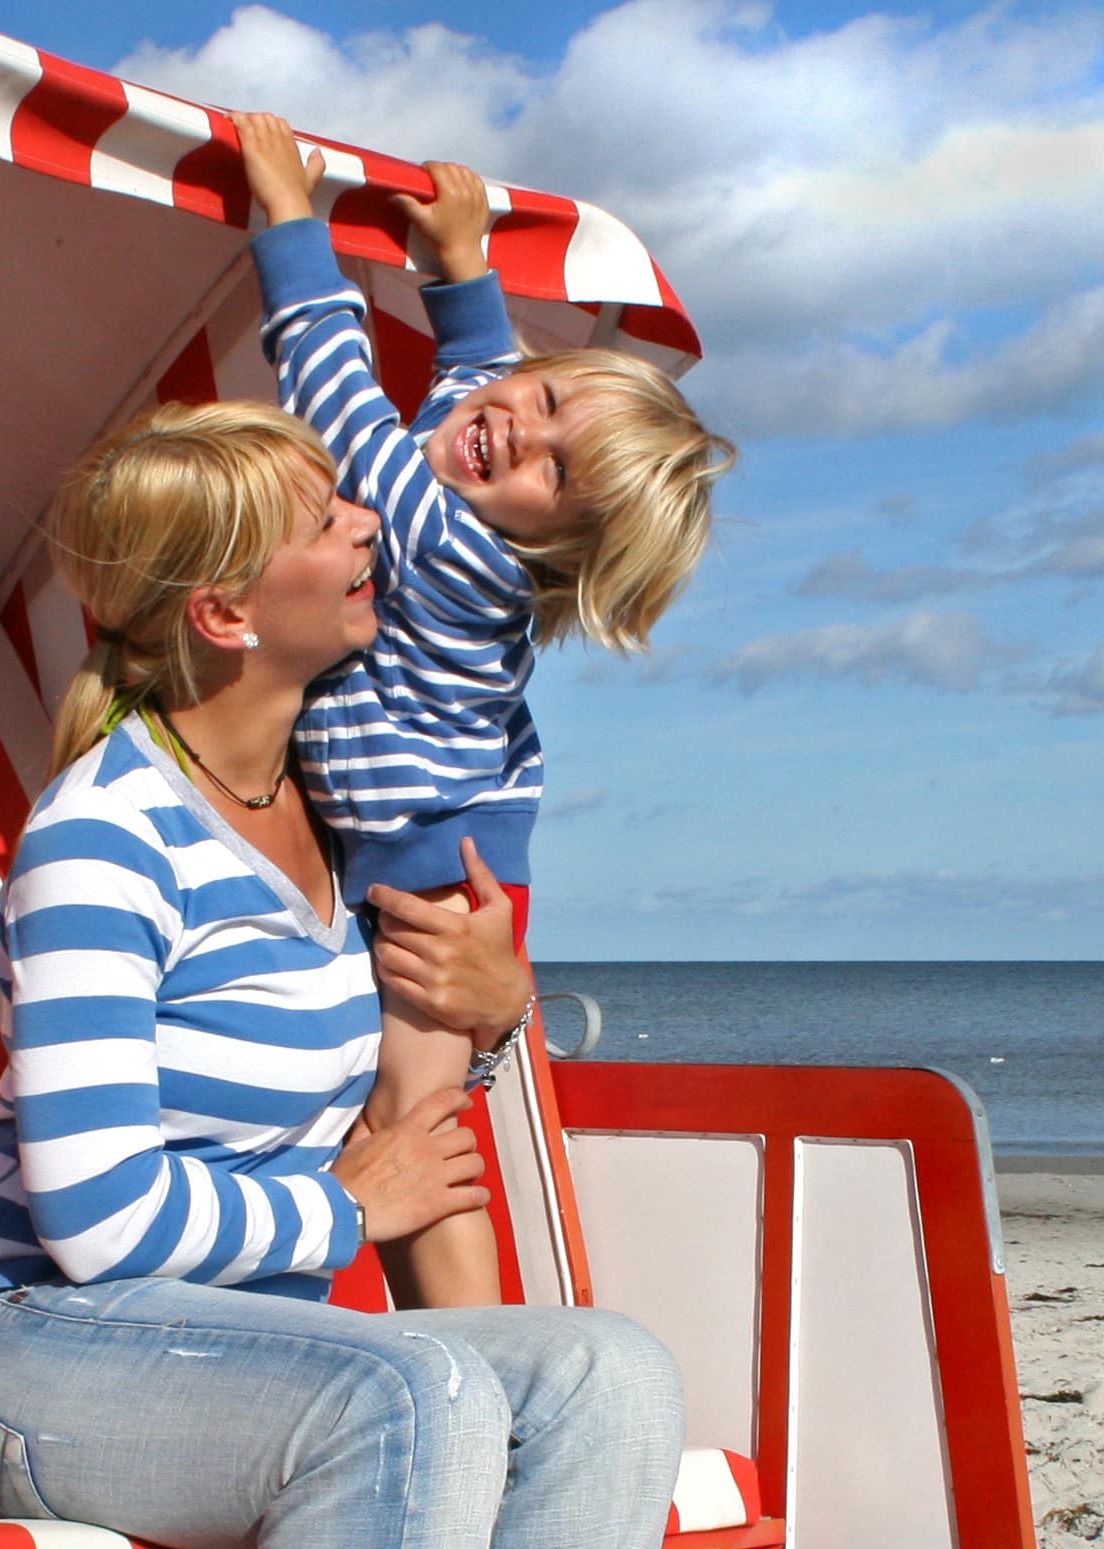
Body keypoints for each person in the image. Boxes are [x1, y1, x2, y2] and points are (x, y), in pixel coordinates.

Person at [0, 401, 693, 1549]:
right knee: (410, 1385)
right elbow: (104, 1215)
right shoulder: (98, 837)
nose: (375, 526)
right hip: (38, 1347)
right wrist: (339, 1214)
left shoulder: (328, 821)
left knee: (604, 1372)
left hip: (237, 1360)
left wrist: (497, 1021)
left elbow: (416, 1088)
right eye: (328, 517)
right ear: (222, 609)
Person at [233, 112, 735, 1310]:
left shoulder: (450, 540)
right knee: (409, 1117)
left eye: (553, 471)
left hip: (426, 865)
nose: (519, 431)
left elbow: (337, 392)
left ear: (553, 543)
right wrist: (461, 268)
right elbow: (478, 383)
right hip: (445, 847)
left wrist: (290, 224)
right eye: (547, 396)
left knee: (418, 1124)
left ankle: (485, 1359)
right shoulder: (471, 462)